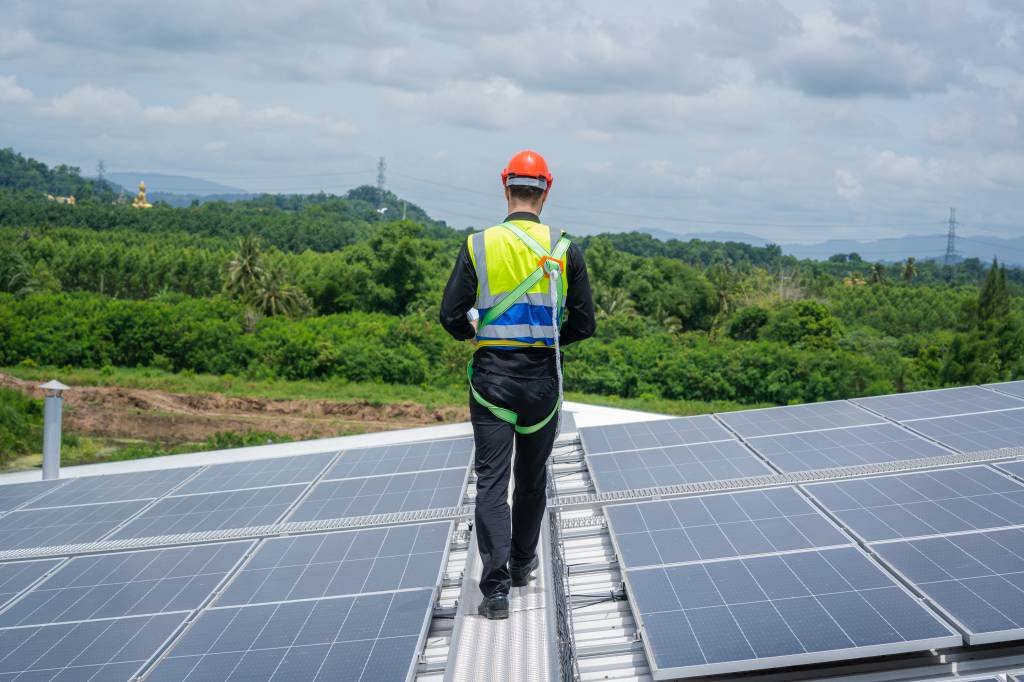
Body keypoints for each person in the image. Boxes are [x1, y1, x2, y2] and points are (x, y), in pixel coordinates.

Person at [440, 150, 596, 619]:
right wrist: (550, 342)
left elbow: (450, 316)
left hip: (493, 382)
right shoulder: (566, 248)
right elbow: (584, 323)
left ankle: (496, 590)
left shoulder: (478, 245)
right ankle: (524, 564)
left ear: (504, 186)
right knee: (531, 480)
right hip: (542, 385)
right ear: (547, 190)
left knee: (491, 482)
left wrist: (478, 333)